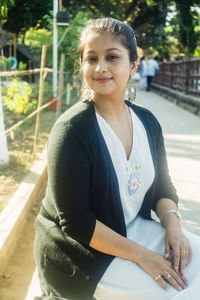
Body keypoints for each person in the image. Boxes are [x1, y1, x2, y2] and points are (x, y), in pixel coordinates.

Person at [34, 18, 200, 300]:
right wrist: (143, 257)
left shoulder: (147, 122)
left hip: (134, 230)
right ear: (82, 65)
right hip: (83, 252)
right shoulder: (72, 130)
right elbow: (76, 222)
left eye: (112, 57)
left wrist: (174, 227)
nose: (100, 67)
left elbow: (163, 188)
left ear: (133, 64)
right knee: (175, 294)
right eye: (92, 58)